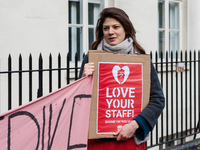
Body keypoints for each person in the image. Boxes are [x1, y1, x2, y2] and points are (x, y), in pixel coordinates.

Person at [79, 7, 165, 150]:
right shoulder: (91, 58)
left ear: (126, 29)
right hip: (97, 142)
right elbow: (79, 101)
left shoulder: (141, 60)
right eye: (106, 28)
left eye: (116, 27)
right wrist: (82, 81)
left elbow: (157, 99)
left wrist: (135, 125)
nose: (110, 32)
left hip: (130, 140)